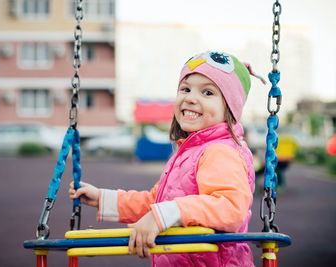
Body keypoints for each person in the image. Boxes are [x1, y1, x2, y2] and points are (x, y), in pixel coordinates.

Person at [70, 51, 264, 266]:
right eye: (185, 89)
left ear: (230, 108)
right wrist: (103, 199)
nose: (190, 97)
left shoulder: (221, 151)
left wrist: (164, 214)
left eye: (207, 92)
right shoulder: (188, 153)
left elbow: (229, 207)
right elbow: (155, 203)